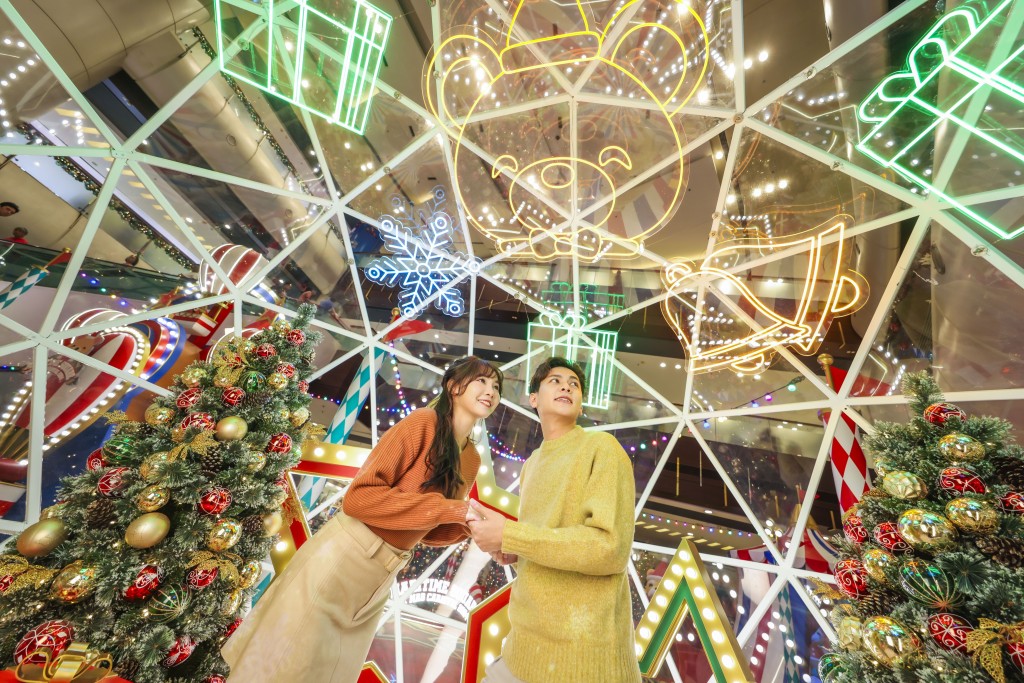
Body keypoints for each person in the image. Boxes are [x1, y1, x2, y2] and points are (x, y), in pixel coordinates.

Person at [223, 356, 503, 683]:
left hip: (383, 573)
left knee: (328, 672)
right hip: (346, 553)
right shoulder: (423, 423)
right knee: (285, 660)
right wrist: (455, 510)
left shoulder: (470, 458)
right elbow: (359, 498)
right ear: (454, 386)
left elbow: (428, 527)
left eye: (496, 386)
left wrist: (472, 526)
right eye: (482, 381)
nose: (490, 391)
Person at [467, 357, 641, 683]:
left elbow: (609, 549)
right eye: (555, 380)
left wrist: (513, 535)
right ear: (533, 399)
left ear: (581, 400)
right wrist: (516, 553)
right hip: (519, 650)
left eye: (574, 383)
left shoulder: (602, 448)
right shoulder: (531, 464)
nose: (566, 386)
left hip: (581, 665)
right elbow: (548, 546)